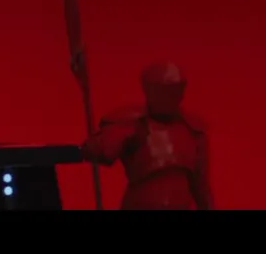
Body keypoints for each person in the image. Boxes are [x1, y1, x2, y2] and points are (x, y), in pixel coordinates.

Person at [83, 62, 212, 210]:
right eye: (164, 91)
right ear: (150, 91)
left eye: (176, 90)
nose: (171, 97)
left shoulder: (193, 130)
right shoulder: (131, 122)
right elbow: (101, 152)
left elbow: (200, 186)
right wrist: (103, 142)